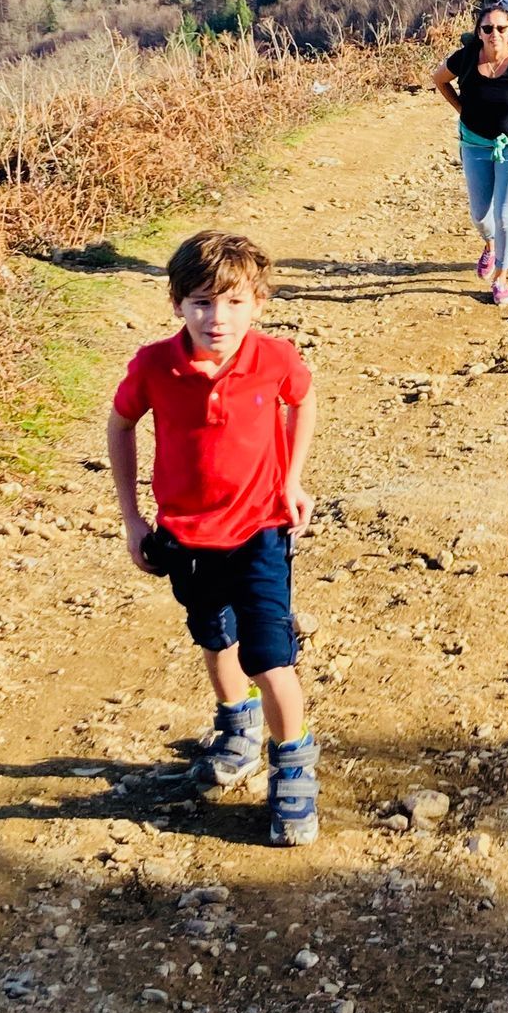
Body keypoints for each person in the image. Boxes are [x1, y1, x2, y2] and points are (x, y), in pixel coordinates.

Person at [107, 230, 321, 845]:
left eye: (232, 303)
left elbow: (302, 402)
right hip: (183, 535)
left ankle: (293, 768)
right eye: (201, 301)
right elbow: (120, 425)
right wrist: (133, 519)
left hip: (260, 530)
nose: (216, 318)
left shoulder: (275, 358)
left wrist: (293, 478)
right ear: (177, 304)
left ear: (258, 304)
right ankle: (236, 727)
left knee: (270, 658)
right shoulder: (154, 365)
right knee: (212, 633)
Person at [431, 4, 508, 306]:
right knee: (479, 214)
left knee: (504, 214)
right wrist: (462, 110)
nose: (494, 34)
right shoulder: (464, 59)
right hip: (475, 142)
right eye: (487, 29)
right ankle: (490, 245)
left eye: (501, 28)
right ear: (479, 32)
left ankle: (501, 276)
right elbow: (439, 80)